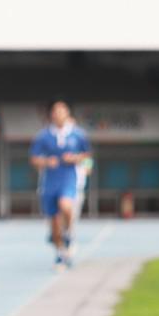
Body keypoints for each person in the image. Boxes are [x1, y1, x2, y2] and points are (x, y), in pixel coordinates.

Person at [30, 100, 91, 269]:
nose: (59, 115)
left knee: (66, 206)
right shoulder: (44, 136)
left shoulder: (78, 135)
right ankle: (60, 252)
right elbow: (34, 159)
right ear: (51, 115)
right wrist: (46, 162)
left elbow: (88, 157)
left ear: (68, 114)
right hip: (49, 183)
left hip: (71, 180)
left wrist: (80, 162)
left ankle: (69, 233)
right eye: (56, 112)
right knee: (54, 223)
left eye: (62, 111)